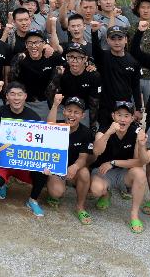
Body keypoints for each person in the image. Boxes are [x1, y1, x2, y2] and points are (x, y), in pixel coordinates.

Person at [0, 81, 47, 217]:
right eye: (12, 94)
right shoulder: (1, 111)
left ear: (25, 96)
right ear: (7, 97)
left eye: (19, 94)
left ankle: (32, 200)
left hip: (23, 162)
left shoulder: (33, 116)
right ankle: (2, 184)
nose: (16, 98)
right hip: (4, 160)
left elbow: (38, 144)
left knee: (42, 171)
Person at [89, 101, 147, 234]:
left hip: (123, 172)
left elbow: (139, 162)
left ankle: (134, 215)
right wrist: (109, 133)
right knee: (96, 190)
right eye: (119, 115)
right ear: (113, 116)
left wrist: (114, 162)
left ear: (132, 118)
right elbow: (96, 151)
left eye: (126, 116)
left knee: (140, 174)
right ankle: (106, 193)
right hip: (102, 171)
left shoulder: (137, 131)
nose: (122, 119)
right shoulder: (104, 128)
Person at [46, 94, 95, 225]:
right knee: (57, 193)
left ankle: (80, 207)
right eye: (69, 110)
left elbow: (83, 158)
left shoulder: (87, 133)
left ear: (82, 115)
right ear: (64, 112)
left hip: (73, 170)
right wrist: (55, 105)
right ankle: (52, 191)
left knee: (84, 172)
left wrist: (75, 166)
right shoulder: (58, 126)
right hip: (56, 169)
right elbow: (49, 126)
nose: (72, 115)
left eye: (76, 112)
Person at [91, 23, 142, 129]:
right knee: (104, 135)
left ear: (126, 40)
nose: (117, 42)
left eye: (120, 38)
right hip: (106, 107)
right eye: (113, 39)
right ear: (108, 40)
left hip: (125, 108)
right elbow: (95, 50)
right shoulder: (103, 57)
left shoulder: (133, 62)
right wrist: (94, 32)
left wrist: (138, 109)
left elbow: (136, 86)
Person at [8, 30, 62, 119]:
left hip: (45, 104)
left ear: (44, 43)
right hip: (24, 103)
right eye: (30, 42)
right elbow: (12, 80)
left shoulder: (52, 57)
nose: (33, 46)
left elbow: (69, 65)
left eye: (37, 42)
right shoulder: (20, 58)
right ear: (26, 44)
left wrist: (89, 65)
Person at [46, 42, 101, 126]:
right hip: (63, 107)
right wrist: (57, 76)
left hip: (83, 110)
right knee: (54, 128)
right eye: (71, 57)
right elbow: (49, 92)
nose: (74, 61)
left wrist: (92, 124)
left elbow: (94, 102)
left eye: (79, 57)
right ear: (67, 58)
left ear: (85, 59)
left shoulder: (93, 74)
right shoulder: (60, 70)